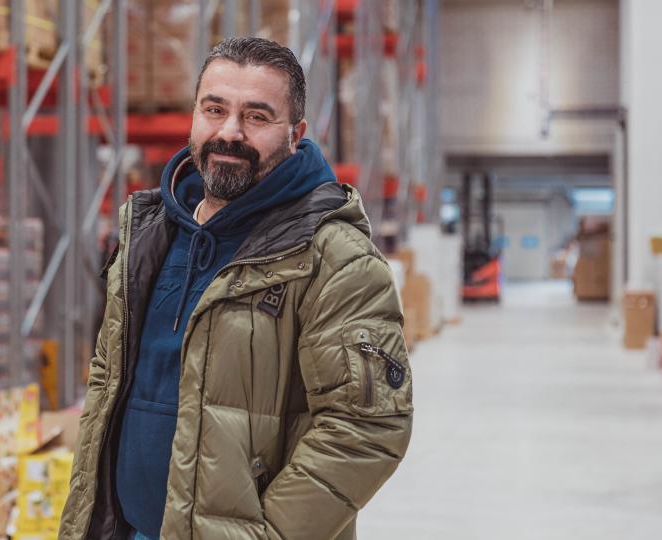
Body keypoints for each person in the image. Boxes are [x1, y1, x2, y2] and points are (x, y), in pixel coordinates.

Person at [59, 36, 413, 540]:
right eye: (215, 109)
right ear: (194, 116)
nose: (229, 132)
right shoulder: (147, 234)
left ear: (296, 133)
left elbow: (366, 428)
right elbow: (107, 379)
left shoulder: (334, 257)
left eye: (256, 116)